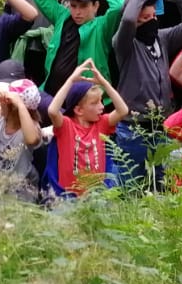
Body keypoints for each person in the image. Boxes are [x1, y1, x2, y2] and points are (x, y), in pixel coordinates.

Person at [110, 0, 182, 188]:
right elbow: (129, 19)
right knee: (130, 185)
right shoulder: (124, 44)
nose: (149, 22)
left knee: (162, 184)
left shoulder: (162, 37)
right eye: (143, 19)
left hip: (161, 125)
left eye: (151, 17)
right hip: (133, 126)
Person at [31, 0, 127, 90]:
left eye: (83, 6)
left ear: (95, 6)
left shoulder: (102, 26)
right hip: (52, 93)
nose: (77, 12)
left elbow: (118, 6)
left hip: (87, 101)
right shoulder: (62, 16)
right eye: (73, 5)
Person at [44, 59, 129, 198]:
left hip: (96, 196)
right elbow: (53, 111)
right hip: (68, 197)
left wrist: (104, 83)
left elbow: (123, 110)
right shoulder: (66, 126)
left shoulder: (102, 124)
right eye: (95, 103)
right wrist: (71, 80)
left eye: (101, 101)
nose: (102, 106)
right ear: (78, 110)